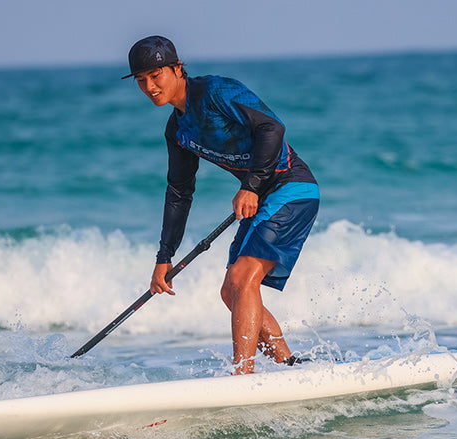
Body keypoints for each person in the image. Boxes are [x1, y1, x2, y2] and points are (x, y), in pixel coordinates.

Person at [123, 36, 319, 374]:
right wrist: (164, 257)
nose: (150, 87)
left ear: (177, 69)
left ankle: (242, 374)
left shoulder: (216, 91)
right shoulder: (177, 130)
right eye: (141, 80)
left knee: (242, 279)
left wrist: (251, 186)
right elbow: (179, 192)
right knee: (232, 292)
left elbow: (272, 127)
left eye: (156, 75)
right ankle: (291, 367)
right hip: (260, 198)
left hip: (291, 188)